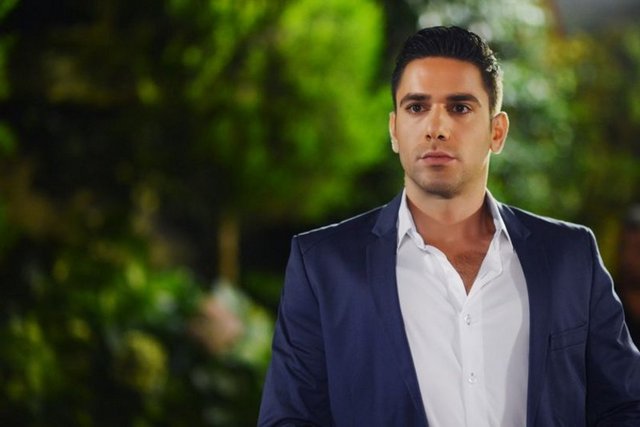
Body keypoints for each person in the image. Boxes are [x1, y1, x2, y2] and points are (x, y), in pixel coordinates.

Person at [258, 26, 640, 426]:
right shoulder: (323, 265)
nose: (436, 127)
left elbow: (626, 406)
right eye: (416, 107)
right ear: (394, 130)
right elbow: (289, 418)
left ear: (497, 132)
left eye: (459, 108)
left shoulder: (570, 256)